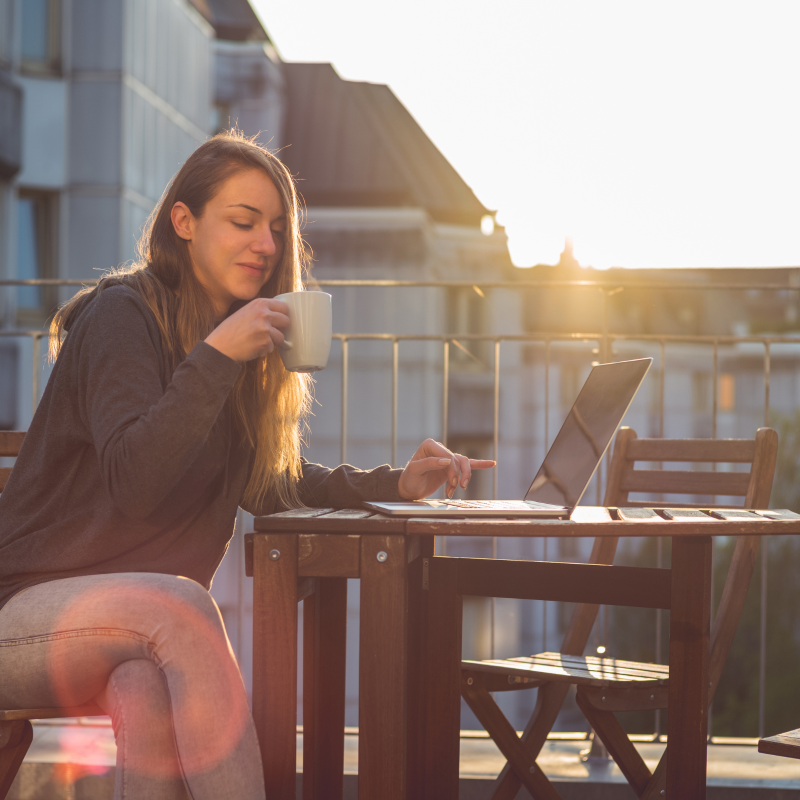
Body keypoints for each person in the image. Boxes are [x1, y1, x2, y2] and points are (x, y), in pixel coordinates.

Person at [0, 131, 494, 799]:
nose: (267, 243)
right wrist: (218, 357)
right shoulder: (124, 317)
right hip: (22, 615)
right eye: (243, 221)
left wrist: (395, 484)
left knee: (144, 689)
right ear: (184, 222)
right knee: (180, 603)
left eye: (277, 227)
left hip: (123, 630)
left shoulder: (229, 351)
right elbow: (135, 484)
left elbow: (275, 485)